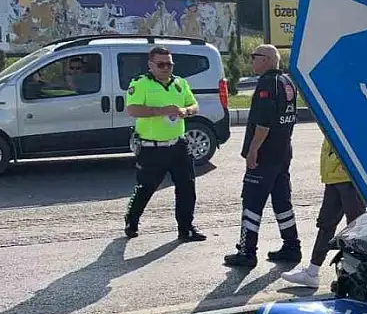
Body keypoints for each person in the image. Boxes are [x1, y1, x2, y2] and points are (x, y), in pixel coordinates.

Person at [224, 44, 301, 268]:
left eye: (253, 57)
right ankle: (291, 246)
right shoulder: (288, 82)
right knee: (282, 201)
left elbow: (264, 122)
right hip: (282, 153)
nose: (251, 61)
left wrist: (253, 149)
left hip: (265, 155)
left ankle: (247, 251)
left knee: (252, 202)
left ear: (266, 59)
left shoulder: (267, 83)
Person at [123, 46, 206, 242]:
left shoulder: (180, 83)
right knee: (146, 186)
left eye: (169, 64)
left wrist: (186, 111)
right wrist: (161, 111)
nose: (166, 68)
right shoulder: (140, 83)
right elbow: (133, 110)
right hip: (152, 147)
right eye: (161, 64)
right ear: (150, 65)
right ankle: (131, 220)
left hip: (178, 144)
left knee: (186, 186)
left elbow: (194, 105)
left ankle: (186, 228)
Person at [281, 137, 367, 287]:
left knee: (355, 228)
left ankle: (357, 276)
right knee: (326, 225)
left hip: (349, 177)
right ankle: (312, 272)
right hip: (335, 177)